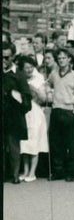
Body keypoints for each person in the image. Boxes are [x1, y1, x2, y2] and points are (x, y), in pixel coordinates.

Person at [47, 48, 74, 181]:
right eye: (59, 58)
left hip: (69, 112)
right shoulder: (54, 74)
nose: (61, 60)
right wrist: (49, 93)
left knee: (70, 144)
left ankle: (70, 172)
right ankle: (57, 171)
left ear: (69, 60)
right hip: (56, 111)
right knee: (56, 143)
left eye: (64, 58)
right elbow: (47, 85)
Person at [4, 48, 32, 183]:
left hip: (14, 116)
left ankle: (15, 175)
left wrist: (18, 97)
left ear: (12, 57)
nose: (3, 60)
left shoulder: (19, 75)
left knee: (13, 146)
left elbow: (27, 98)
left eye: (6, 57)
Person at [19, 55, 49, 182]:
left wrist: (33, 89)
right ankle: (25, 170)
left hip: (35, 111)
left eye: (31, 67)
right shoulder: (19, 79)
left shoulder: (39, 79)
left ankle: (32, 172)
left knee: (35, 141)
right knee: (25, 143)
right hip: (23, 112)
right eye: (26, 67)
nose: (29, 69)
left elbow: (43, 98)